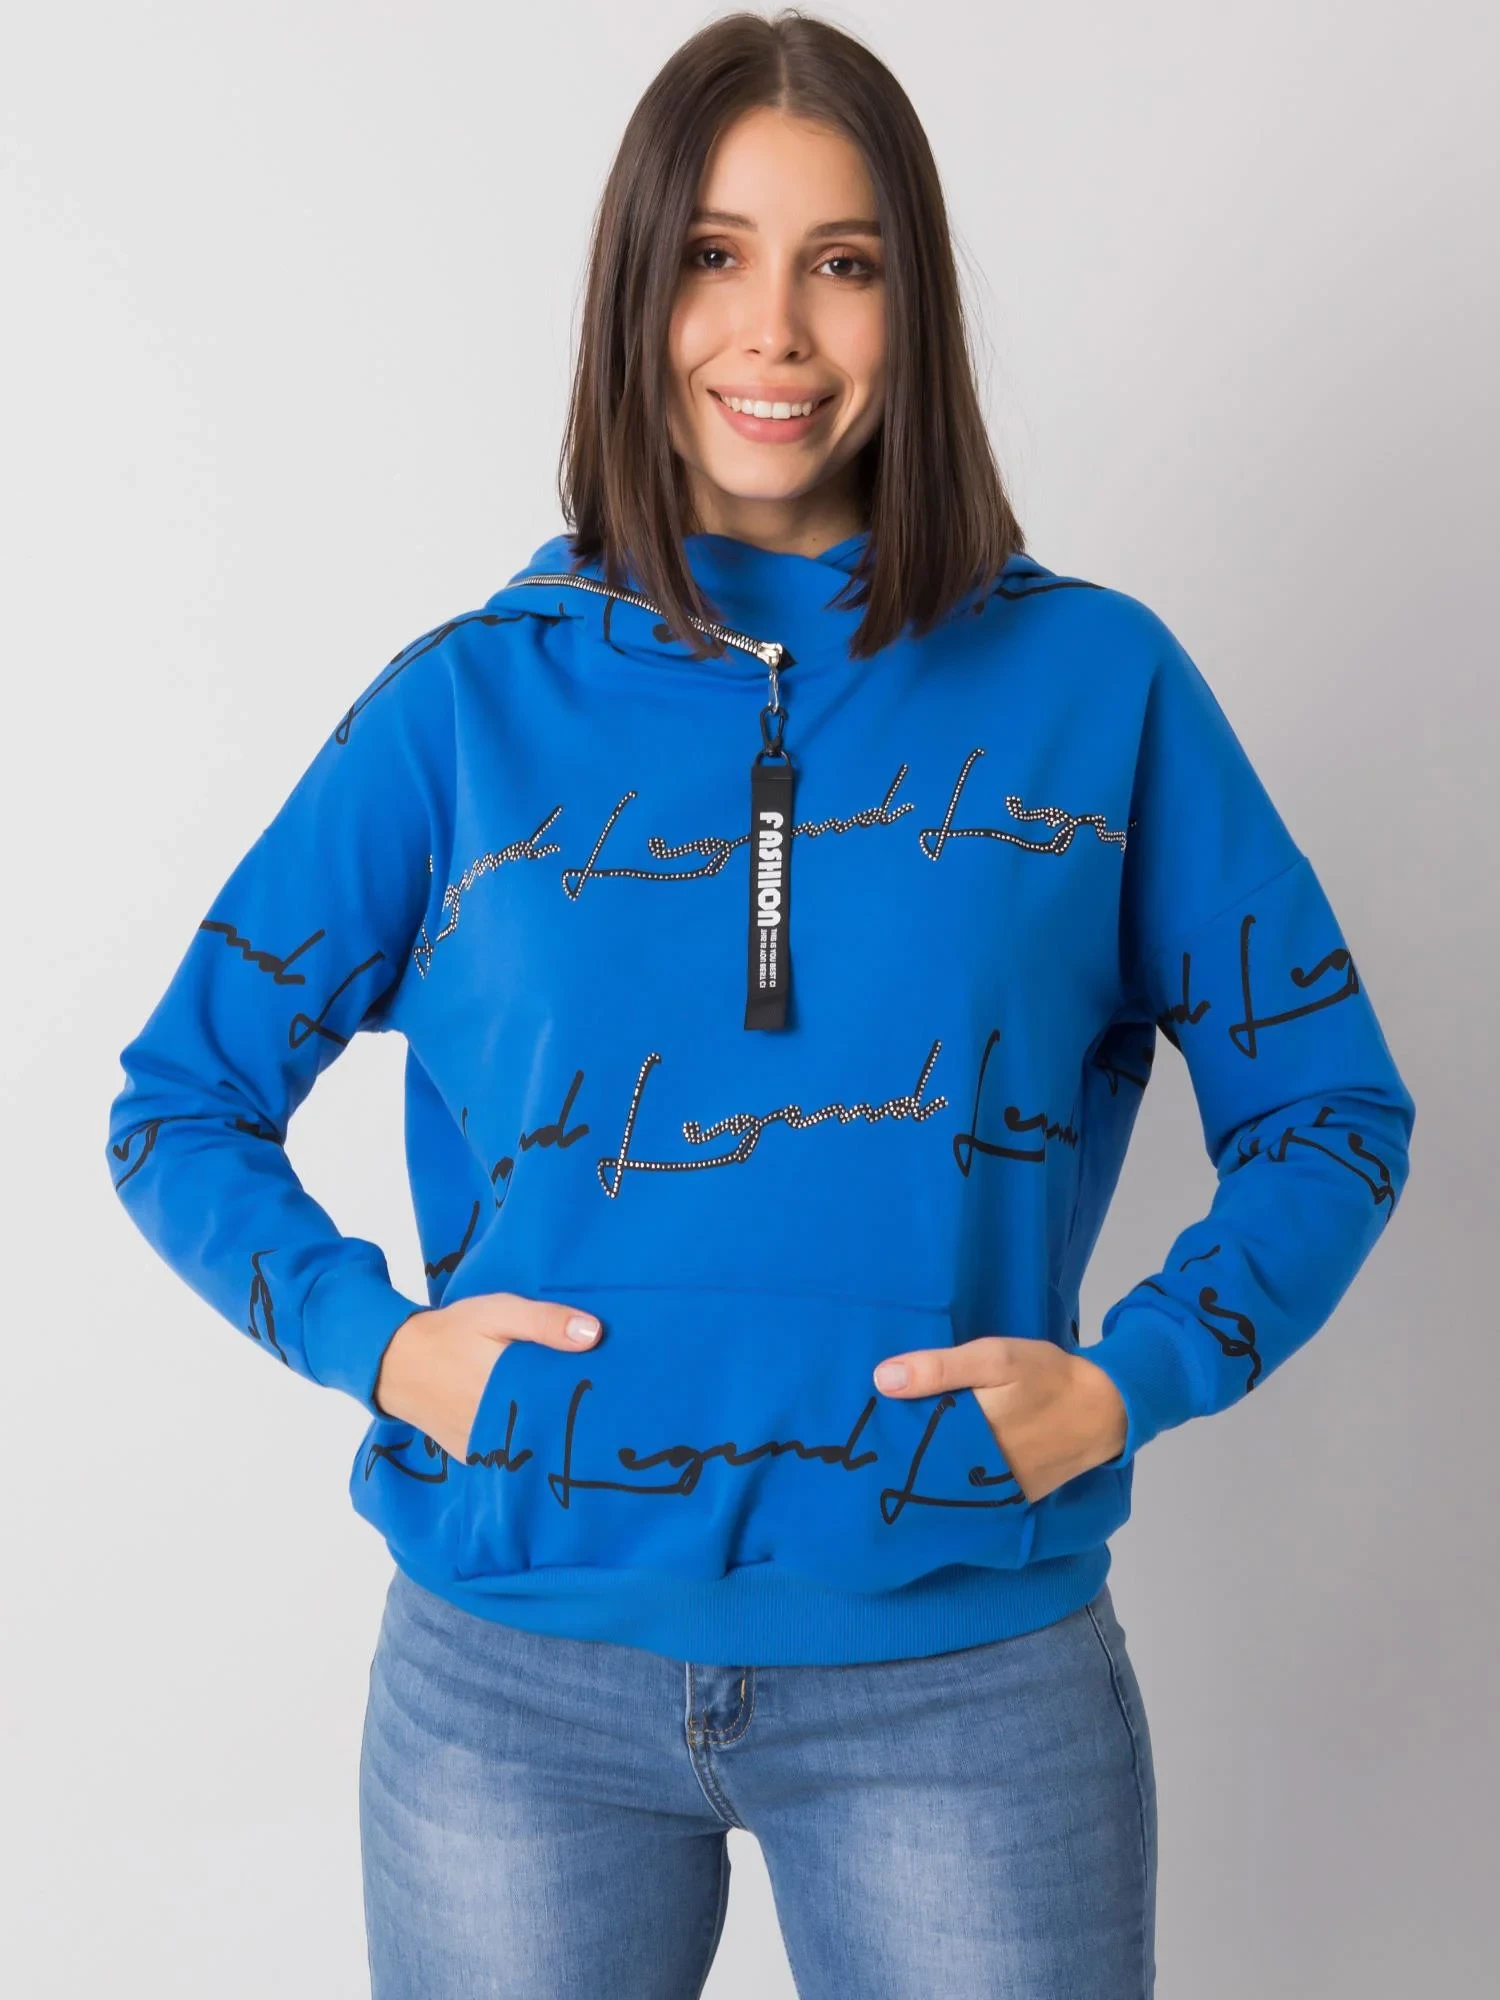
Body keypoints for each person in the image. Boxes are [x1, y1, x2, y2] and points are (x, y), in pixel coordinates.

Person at [103, 11, 1416, 1997]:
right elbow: (179, 1102)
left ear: (914, 304)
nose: (774, 332)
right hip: (512, 1687)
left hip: (965, 1681)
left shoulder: (1100, 690)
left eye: (843, 262)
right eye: (714, 255)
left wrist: (1131, 1380)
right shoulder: (464, 708)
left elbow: (1332, 1110)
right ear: (636, 295)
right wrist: (384, 1350)